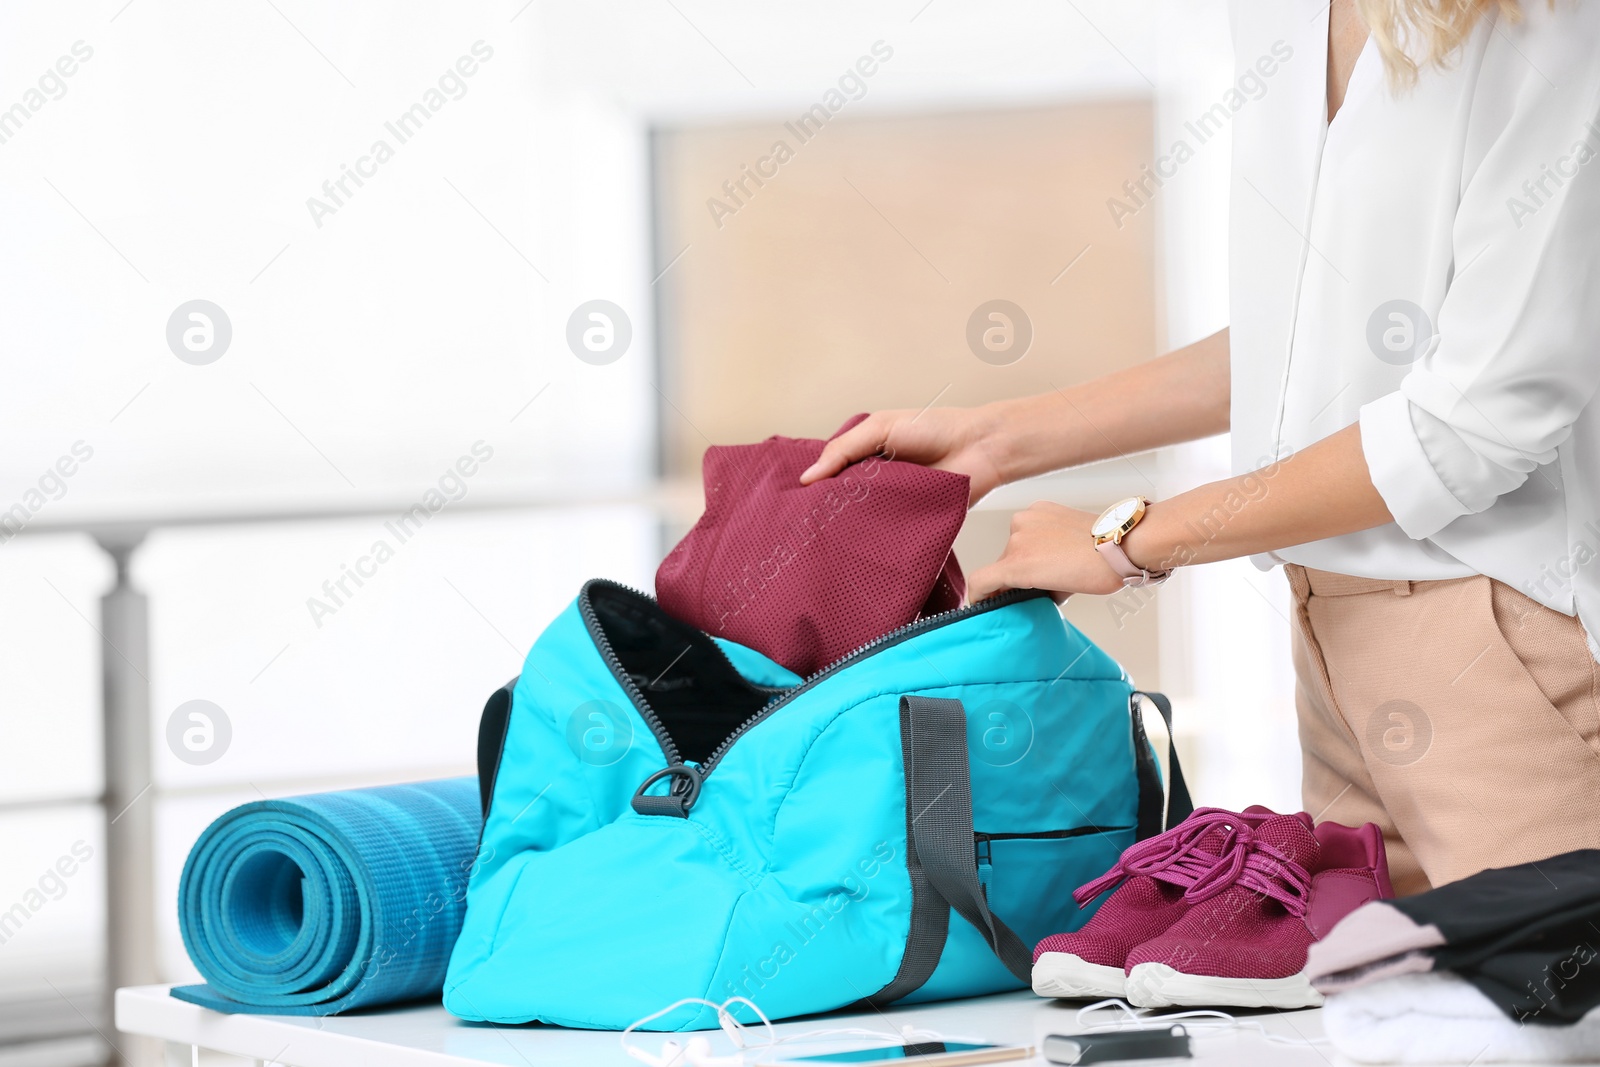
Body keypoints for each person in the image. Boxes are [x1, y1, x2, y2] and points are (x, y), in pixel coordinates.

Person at [801, 0, 1600, 896]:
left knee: (1541, 1021)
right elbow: (1311, 342)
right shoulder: (1281, 17)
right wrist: (999, 438)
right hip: (1327, 641)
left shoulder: (1560, 30)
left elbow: (1476, 418)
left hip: (1496, 647)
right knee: (1377, 1023)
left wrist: (1125, 538)